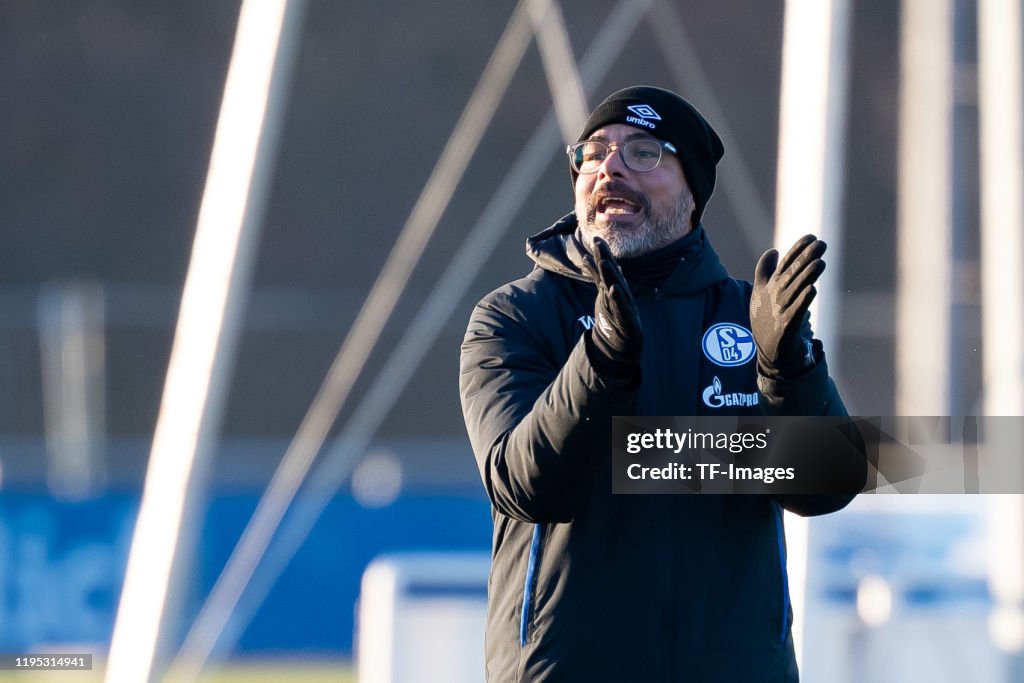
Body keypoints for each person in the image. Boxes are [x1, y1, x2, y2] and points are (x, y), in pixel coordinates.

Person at [459, 85, 863, 682]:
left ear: (692, 193)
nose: (610, 168)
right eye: (593, 153)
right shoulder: (515, 316)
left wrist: (790, 369)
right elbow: (527, 485)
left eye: (644, 152)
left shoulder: (753, 319)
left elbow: (829, 483)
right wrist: (601, 363)